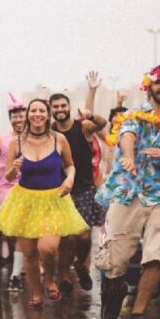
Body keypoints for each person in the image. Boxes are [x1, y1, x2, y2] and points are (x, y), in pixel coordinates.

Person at [95, 65, 160, 319]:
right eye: (158, 84)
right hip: (128, 193)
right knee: (115, 260)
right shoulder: (133, 117)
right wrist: (128, 156)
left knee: (158, 252)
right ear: (148, 89)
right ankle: (113, 289)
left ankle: (138, 316)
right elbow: (127, 136)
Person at [0, 99, 88, 308]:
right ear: (27, 115)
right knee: (30, 254)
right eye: (33, 110)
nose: (37, 114)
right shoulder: (16, 142)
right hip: (25, 200)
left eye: (41, 110)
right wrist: (14, 168)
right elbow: (7, 176)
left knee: (48, 248)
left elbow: (70, 166)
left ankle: (51, 279)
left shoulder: (58, 139)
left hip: (53, 200)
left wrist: (69, 179)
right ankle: (36, 294)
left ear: (48, 114)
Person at [50, 71, 107, 293]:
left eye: (63, 106)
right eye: (55, 107)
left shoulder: (82, 127)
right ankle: (64, 277)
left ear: (68, 106)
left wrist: (90, 114)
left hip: (84, 187)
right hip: (60, 190)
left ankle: (80, 265)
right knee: (66, 238)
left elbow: (102, 123)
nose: (60, 110)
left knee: (83, 237)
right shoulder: (50, 132)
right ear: (51, 110)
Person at [0, 96, 27, 292]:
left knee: (23, 232)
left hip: (31, 189)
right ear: (10, 119)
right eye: (15, 116)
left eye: (22, 115)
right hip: (6, 189)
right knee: (9, 233)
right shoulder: (0, 140)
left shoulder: (37, 138)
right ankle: (6, 260)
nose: (19, 119)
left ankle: (15, 275)